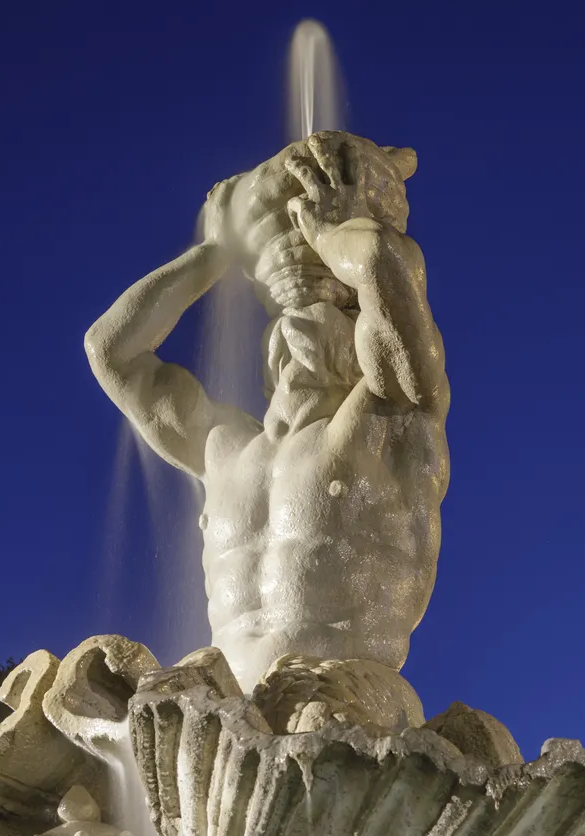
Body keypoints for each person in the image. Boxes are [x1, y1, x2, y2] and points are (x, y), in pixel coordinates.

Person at [84, 132, 448, 694]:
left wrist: (332, 233)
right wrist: (219, 251)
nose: (299, 325)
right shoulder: (224, 449)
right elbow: (111, 351)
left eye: (329, 312)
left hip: (351, 707)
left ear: (361, 331)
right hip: (223, 715)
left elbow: (381, 262)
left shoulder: (389, 415)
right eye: (288, 319)